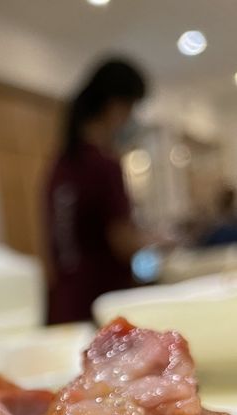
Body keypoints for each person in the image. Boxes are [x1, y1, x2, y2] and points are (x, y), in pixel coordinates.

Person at [44, 58, 149, 324]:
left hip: (65, 305)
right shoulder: (104, 165)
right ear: (116, 106)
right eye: (132, 108)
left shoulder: (60, 166)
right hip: (106, 306)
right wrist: (159, 240)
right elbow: (123, 243)